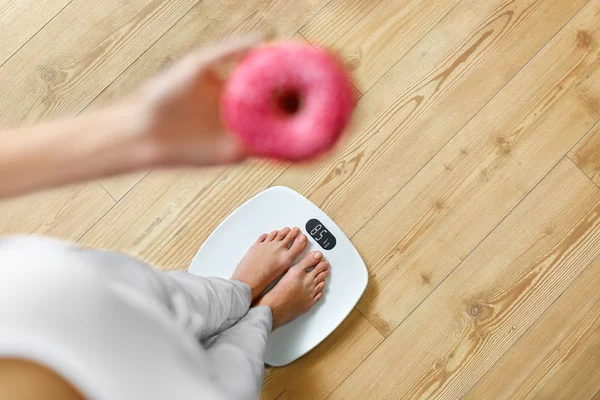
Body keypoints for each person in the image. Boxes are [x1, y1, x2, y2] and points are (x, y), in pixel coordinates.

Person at [0, 36, 329, 400]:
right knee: (229, 376)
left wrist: (140, 130)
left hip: (61, 290)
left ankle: (240, 291)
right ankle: (264, 315)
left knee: (180, 300)